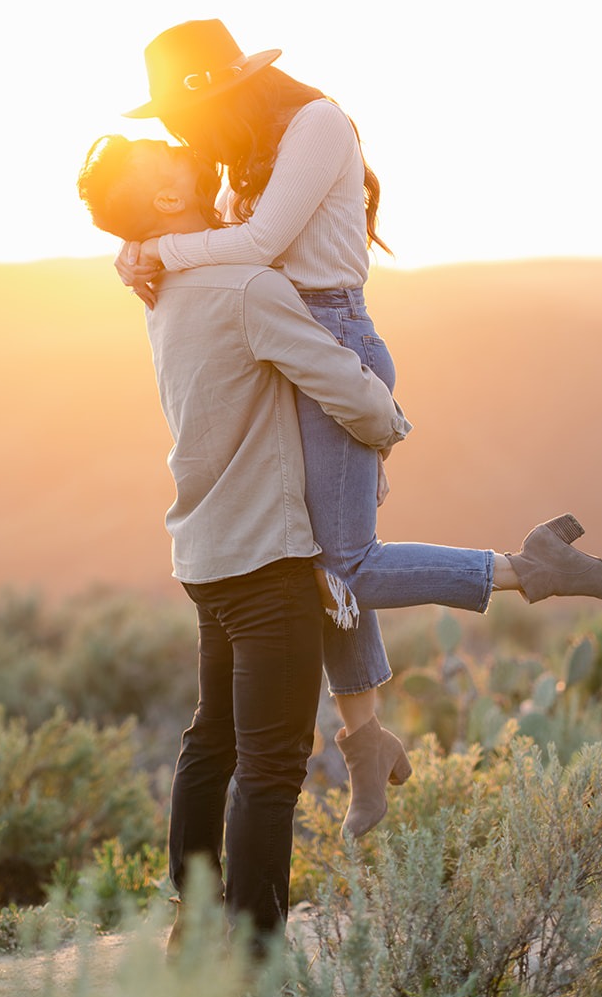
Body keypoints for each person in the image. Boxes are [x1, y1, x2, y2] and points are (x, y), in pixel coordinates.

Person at [111, 19, 602, 838]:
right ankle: (367, 746)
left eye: (189, 116)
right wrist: (136, 250)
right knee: (317, 565)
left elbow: (254, 244)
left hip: (330, 338)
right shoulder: (246, 151)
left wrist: (155, 250)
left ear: (231, 88)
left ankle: (528, 568)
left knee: (339, 564)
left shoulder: (317, 125)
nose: (187, 136)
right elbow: (230, 251)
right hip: (282, 341)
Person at [77, 134, 412, 952]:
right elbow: (338, 383)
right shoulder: (245, 287)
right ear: (163, 202)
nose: (195, 152)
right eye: (174, 156)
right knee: (270, 766)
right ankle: (255, 956)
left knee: (212, 741)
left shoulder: (161, 282)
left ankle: (193, 927)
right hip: (268, 556)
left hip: (204, 551)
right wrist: (390, 423)